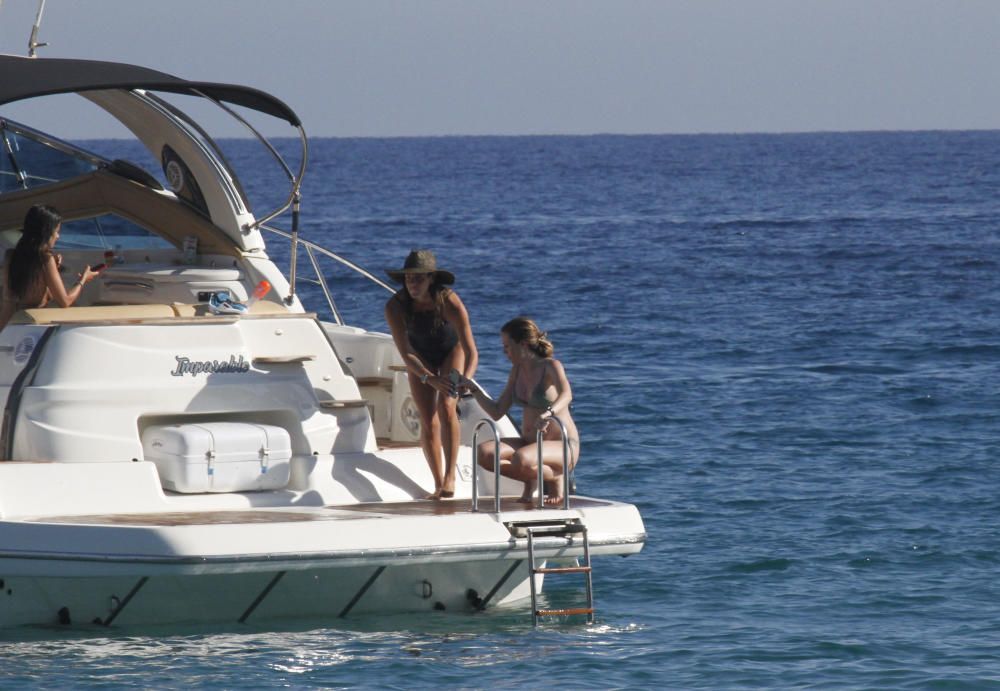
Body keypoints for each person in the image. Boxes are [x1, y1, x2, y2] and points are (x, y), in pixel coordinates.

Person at [384, 250, 478, 499]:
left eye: (418, 279)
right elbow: (406, 354)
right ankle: (438, 483)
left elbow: (471, 349)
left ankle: (450, 477)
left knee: (447, 404)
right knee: (428, 418)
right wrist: (428, 377)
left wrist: (466, 377)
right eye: (408, 279)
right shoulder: (395, 307)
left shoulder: (449, 301)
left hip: (451, 351)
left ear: (431, 279)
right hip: (419, 357)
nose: (412, 284)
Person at [463, 316, 579, 505]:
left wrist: (548, 413)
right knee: (484, 453)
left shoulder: (550, 366)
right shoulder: (516, 371)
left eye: (507, 346)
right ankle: (532, 478)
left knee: (521, 459)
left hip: (562, 445)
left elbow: (567, 394)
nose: (504, 351)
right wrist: (473, 389)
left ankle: (556, 476)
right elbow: (497, 411)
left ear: (523, 344)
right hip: (529, 444)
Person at [0, 205, 99, 329]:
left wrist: (53, 268)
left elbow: (27, 292)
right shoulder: (45, 260)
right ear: (46, 232)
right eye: (57, 231)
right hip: (28, 326)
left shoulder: (10, 255)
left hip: (5, 325)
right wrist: (83, 279)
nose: (58, 236)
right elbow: (64, 301)